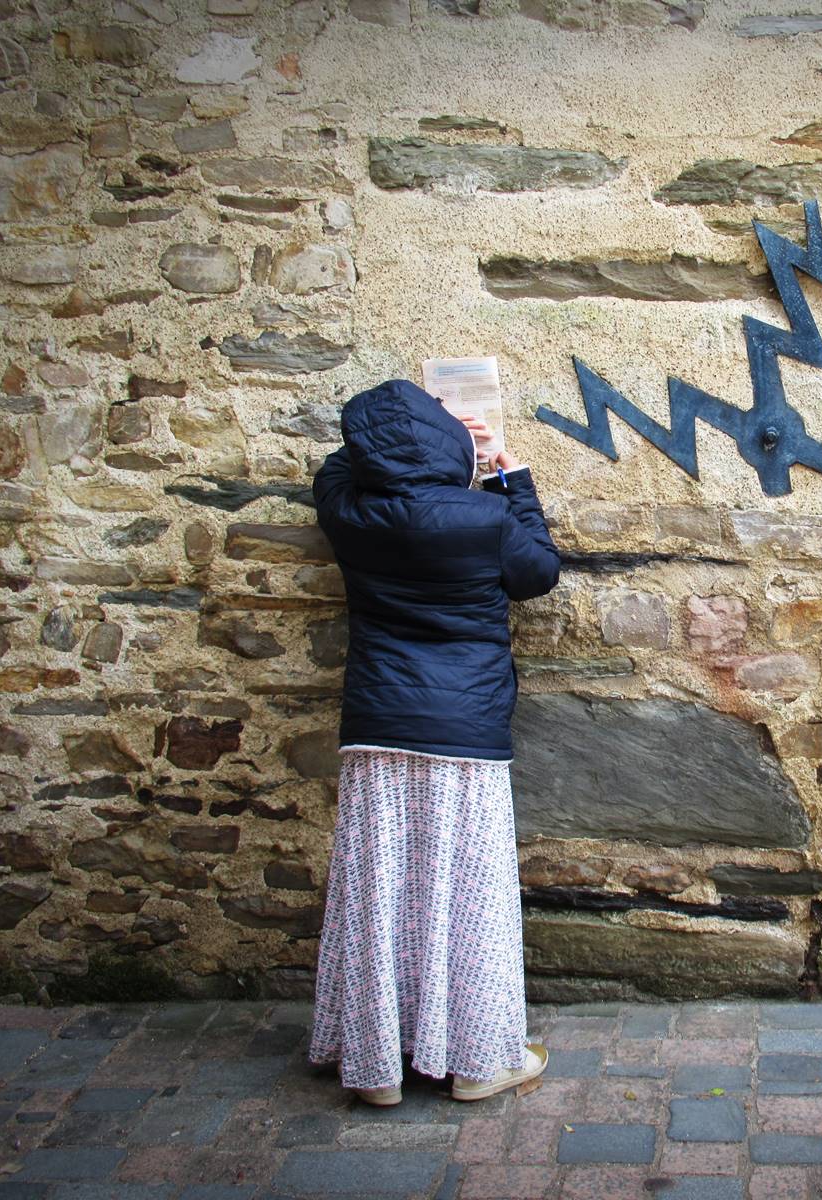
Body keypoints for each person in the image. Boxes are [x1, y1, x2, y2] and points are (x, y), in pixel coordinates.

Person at [305, 377, 561, 1106]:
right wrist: (501, 467)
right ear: (447, 443)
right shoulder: (484, 516)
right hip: (466, 729)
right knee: (471, 896)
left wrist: (405, 448)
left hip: (377, 726)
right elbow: (538, 574)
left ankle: (379, 1067)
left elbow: (335, 466)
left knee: (379, 891)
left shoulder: (350, 511)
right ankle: (480, 1063)